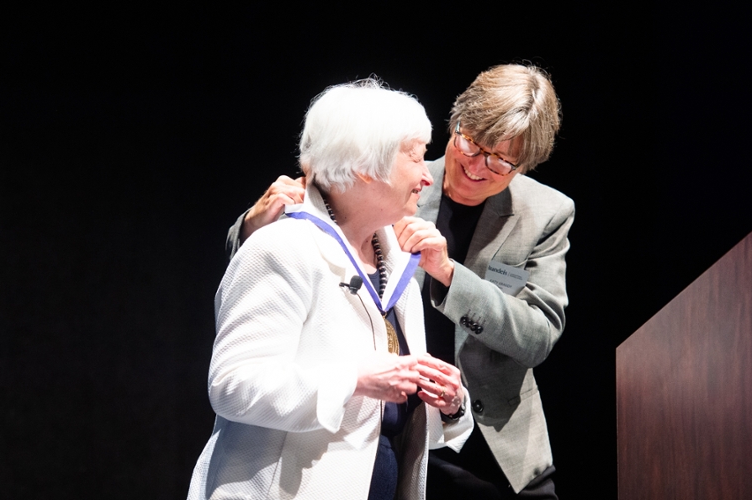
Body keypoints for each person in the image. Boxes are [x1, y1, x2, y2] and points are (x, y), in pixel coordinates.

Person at [227, 64, 573, 499]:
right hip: (395, 436)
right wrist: (253, 226)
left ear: (525, 165)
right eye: (470, 143)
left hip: (496, 445)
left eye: (502, 160)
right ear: (455, 124)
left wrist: (449, 275)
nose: (478, 166)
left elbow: (537, 337)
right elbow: (301, 228)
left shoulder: (545, 213)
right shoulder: (393, 178)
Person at [188, 79, 473, 500]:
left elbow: (381, 421)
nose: (427, 176)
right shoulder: (281, 248)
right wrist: (354, 379)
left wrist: (450, 403)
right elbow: (233, 386)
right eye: (415, 157)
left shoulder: (398, 274)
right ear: (363, 165)